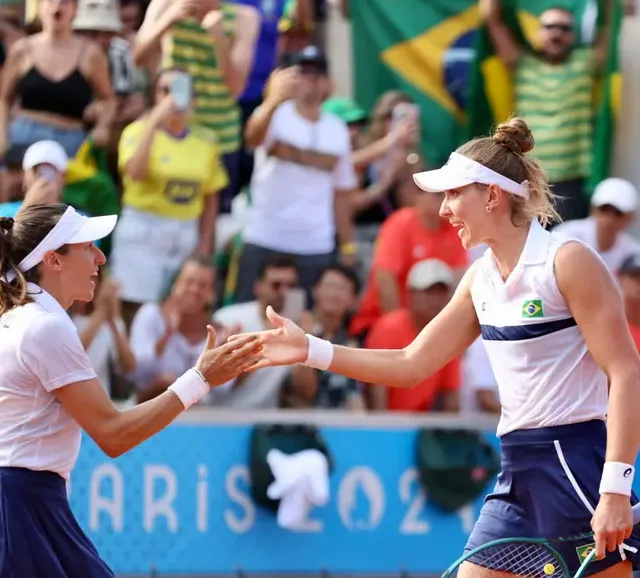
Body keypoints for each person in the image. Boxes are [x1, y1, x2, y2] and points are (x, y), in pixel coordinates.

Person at [231, 118, 640, 575]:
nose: (444, 210)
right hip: (516, 469)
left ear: (492, 195)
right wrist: (310, 348)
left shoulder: (568, 261)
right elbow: (410, 363)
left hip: (575, 465)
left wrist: (615, 490)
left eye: (453, 194)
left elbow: (625, 373)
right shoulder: (479, 278)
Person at [0, 203, 261, 575]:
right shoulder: (43, 327)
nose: (101, 258)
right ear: (53, 260)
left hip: (29, 502)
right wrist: (200, 378)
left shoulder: (22, 319)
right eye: (88, 247)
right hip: (21, 504)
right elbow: (113, 434)